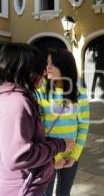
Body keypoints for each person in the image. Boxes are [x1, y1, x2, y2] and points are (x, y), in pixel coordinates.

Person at [0, 43, 75, 196]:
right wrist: (59, 145)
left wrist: (59, 157)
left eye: (50, 65)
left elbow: (27, 142)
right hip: (23, 188)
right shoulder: (17, 102)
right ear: (25, 69)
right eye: (42, 66)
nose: (45, 72)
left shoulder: (13, 97)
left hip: (31, 176)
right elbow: (18, 156)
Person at [35, 48, 90, 196]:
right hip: (49, 153)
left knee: (64, 192)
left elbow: (83, 125)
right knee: (45, 191)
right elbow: (38, 126)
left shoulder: (80, 92)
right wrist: (55, 157)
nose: (48, 67)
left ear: (65, 66)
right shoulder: (41, 90)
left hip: (72, 154)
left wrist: (75, 155)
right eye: (47, 63)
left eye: (53, 64)